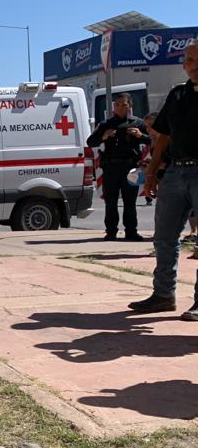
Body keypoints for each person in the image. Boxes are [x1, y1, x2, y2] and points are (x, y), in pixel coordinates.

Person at [131, 43, 198, 317]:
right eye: (189, 59)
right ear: (183, 65)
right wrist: (152, 173)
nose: (194, 64)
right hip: (175, 172)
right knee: (164, 237)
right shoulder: (178, 94)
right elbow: (163, 136)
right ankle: (163, 295)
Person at [87, 94, 150, 240]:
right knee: (111, 201)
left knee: (130, 202)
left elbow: (152, 140)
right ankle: (111, 232)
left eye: (124, 105)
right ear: (114, 106)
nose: (121, 108)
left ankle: (131, 231)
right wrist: (104, 136)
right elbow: (90, 142)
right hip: (111, 168)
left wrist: (140, 135)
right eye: (118, 105)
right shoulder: (106, 125)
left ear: (130, 106)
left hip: (130, 167)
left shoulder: (138, 123)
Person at [143, 113, 158, 205]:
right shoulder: (153, 139)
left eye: (151, 126)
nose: (148, 130)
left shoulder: (166, 139)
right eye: (146, 126)